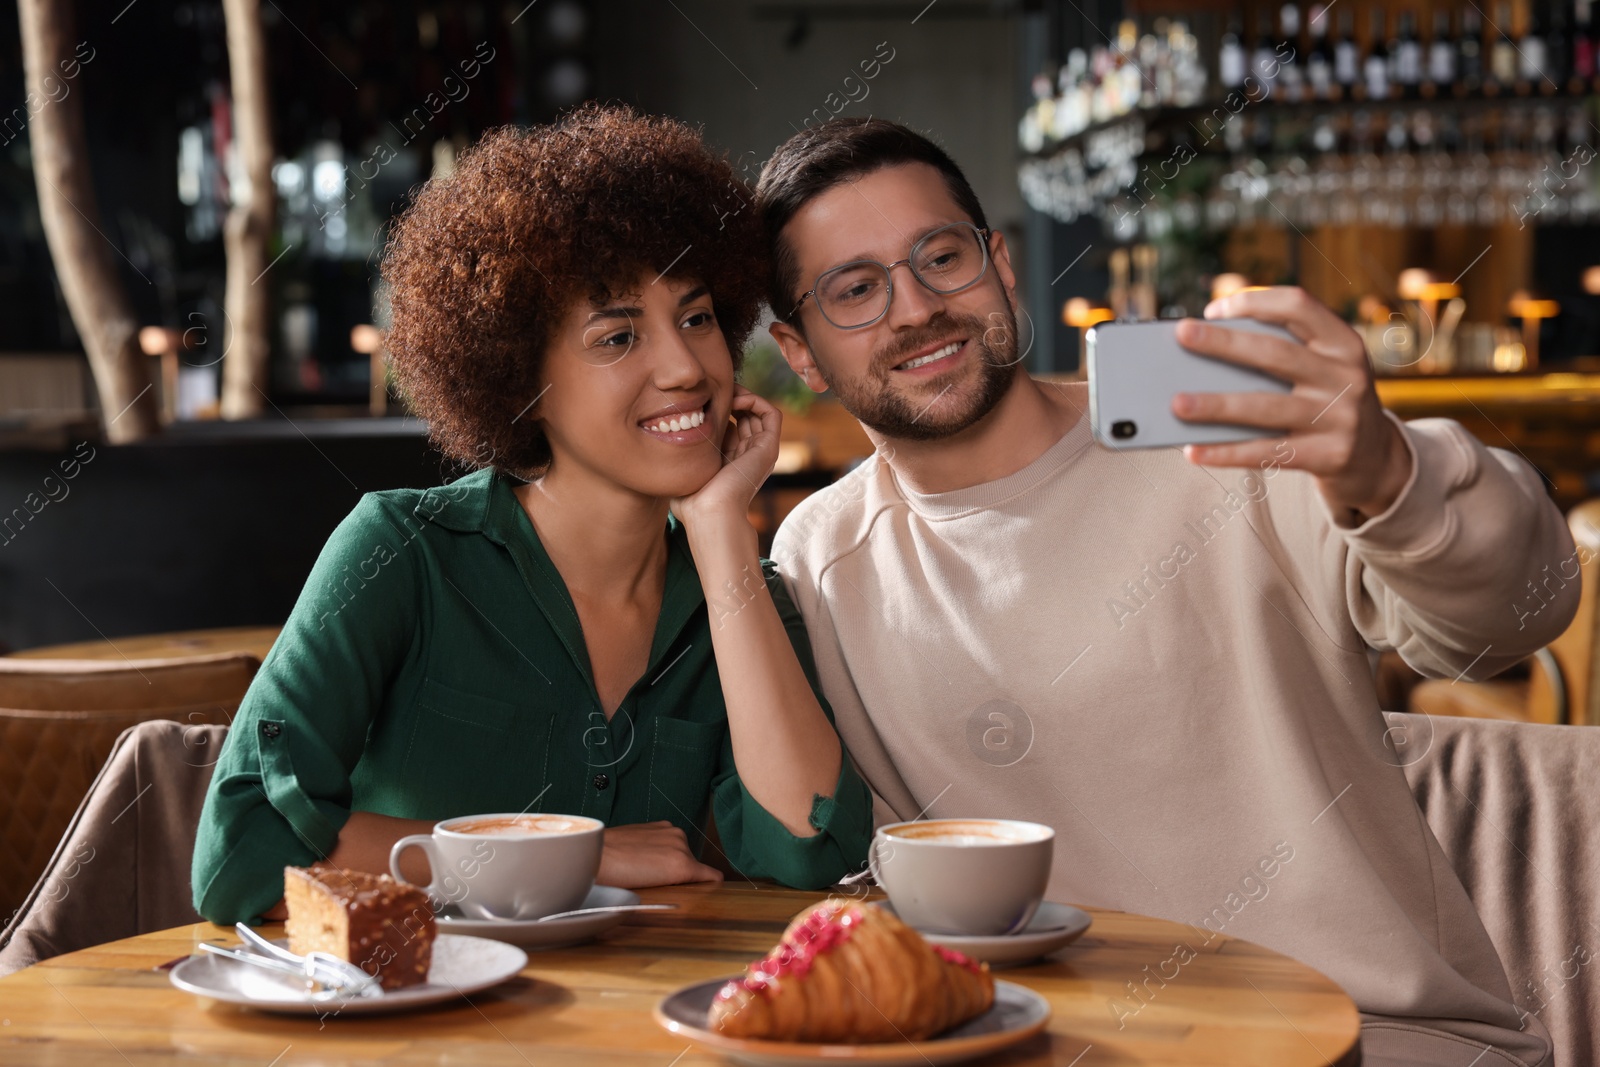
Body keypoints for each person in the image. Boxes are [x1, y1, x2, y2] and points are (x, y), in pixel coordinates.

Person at [758, 117, 1578, 1067]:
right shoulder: (819, 554)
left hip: (1381, 1035)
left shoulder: (1223, 438)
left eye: (940, 256)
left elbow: (1521, 613)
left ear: (1001, 264)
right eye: (855, 289)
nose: (915, 307)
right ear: (801, 350)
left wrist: (1388, 472)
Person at [191, 104, 872, 925]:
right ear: (522, 382)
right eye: (618, 338)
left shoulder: (738, 599)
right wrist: (564, 851)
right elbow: (240, 855)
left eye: (695, 318)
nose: (685, 366)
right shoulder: (402, 552)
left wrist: (723, 527)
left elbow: (813, 851)